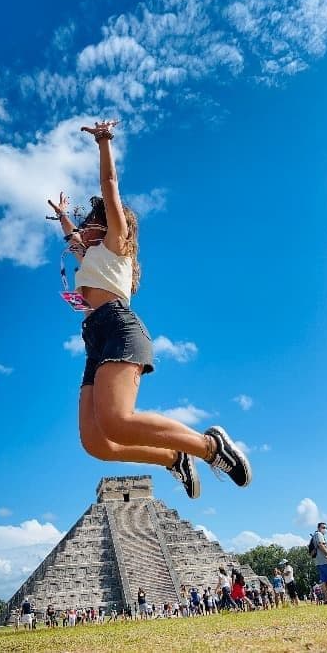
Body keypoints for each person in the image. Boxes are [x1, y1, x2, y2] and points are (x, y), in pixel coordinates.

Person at [47, 120, 252, 499]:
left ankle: (210, 447)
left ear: (105, 226)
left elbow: (110, 187)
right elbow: (72, 238)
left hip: (119, 327)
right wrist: (62, 215)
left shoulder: (114, 244)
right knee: (98, 442)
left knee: (119, 420)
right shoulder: (90, 256)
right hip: (95, 340)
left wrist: (104, 142)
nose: (81, 230)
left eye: (87, 223)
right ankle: (173, 458)